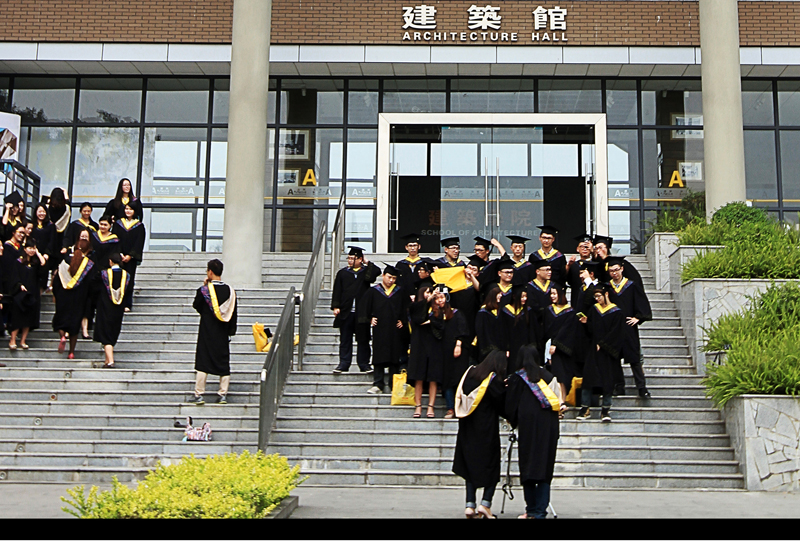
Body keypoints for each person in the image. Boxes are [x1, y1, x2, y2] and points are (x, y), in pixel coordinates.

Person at [505, 344, 562, 520]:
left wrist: (512, 421)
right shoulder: (549, 377)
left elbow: (510, 406)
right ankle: (540, 511)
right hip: (549, 428)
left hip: (528, 428)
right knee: (545, 468)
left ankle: (531, 509)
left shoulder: (517, 378)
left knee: (528, 466)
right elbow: (557, 401)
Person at [452, 350, 508, 519]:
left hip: (467, 430)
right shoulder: (492, 381)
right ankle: (485, 504)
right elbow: (502, 404)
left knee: (469, 466)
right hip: (486, 431)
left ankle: (470, 505)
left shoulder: (469, 373)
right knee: (491, 467)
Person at [188, 259, 238, 405]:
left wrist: (205, 285)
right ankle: (222, 394)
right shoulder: (230, 291)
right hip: (222, 333)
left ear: (210, 272)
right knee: (223, 362)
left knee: (203, 362)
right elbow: (233, 313)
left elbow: (196, 305)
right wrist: (231, 331)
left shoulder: (204, 291)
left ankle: (199, 394)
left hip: (206, 331)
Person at [577, 283, 625, 422]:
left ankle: (605, 410)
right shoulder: (594, 309)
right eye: (595, 297)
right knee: (588, 378)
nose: (597, 299)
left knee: (607, 380)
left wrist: (603, 344)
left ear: (606, 294)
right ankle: (585, 408)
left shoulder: (617, 312)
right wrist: (586, 323)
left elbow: (617, 333)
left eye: (599, 296)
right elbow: (591, 329)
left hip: (608, 353)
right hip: (593, 350)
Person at [606, 256, 652, 398]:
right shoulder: (607, 287)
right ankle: (619, 386)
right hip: (613, 328)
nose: (614, 273)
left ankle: (642, 388)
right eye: (611, 271)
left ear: (622, 269)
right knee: (614, 358)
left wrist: (638, 317)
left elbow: (641, 303)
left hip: (628, 327)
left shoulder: (631, 285)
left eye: (616, 270)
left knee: (634, 358)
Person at [331, 246, 380, 374]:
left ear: (360, 259)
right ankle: (343, 364)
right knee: (345, 339)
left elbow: (377, 272)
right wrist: (336, 306)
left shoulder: (365, 272)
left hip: (362, 312)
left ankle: (364, 364)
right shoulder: (343, 273)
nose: (350, 261)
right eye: (349, 258)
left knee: (363, 339)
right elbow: (337, 290)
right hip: (346, 311)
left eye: (353, 258)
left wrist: (367, 262)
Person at [362, 265, 408, 394]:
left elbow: (406, 308)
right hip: (380, 328)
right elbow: (364, 307)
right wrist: (370, 318)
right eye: (389, 277)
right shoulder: (374, 291)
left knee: (394, 356)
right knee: (379, 355)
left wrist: (403, 320)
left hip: (394, 329)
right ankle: (378, 383)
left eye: (394, 278)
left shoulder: (399, 291)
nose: (391, 280)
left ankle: (393, 384)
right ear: (383, 276)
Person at [430, 286, 471, 419]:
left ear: (447, 298)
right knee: (446, 380)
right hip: (442, 352)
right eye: (437, 298)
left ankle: (461, 407)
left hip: (457, 350)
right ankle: (450, 408)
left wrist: (458, 344)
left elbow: (463, 330)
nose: (440, 300)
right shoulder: (435, 315)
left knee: (459, 378)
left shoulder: (456, 313)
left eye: (442, 297)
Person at [52, 230, 94, 359]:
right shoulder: (87, 265)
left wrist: (56, 295)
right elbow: (91, 284)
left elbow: (57, 282)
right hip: (78, 299)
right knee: (74, 327)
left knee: (60, 321)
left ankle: (62, 336)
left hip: (63, 297)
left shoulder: (64, 263)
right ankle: (71, 352)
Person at [543, 284, 583, 402]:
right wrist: (550, 345)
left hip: (564, 349)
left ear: (561, 294)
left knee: (564, 375)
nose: (552, 296)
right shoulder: (548, 310)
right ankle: (559, 399)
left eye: (554, 294)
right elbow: (546, 329)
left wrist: (556, 344)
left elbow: (567, 330)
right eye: (551, 294)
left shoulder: (570, 312)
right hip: (551, 348)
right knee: (556, 374)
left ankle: (563, 399)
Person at [93, 252, 131, 368]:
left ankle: (110, 361)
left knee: (106, 334)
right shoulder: (126, 275)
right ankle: (107, 360)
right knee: (113, 332)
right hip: (118, 309)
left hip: (105, 308)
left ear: (110, 261)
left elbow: (95, 288)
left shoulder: (103, 274)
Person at [7, 238, 45, 350]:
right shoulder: (18, 262)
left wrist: (38, 253)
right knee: (17, 317)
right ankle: (13, 340)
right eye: (29, 248)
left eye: (33, 248)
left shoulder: (35, 263)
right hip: (20, 294)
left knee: (28, 318)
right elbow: (14, 276)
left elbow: (43, 266)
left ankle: (23, 341)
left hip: (32, 293)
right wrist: (19, 285)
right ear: (24, 249)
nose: (31, 250)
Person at [407, 284, 439, 418]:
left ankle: (431, 406)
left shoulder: (437, 307)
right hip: (419, 344)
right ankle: (418, 406)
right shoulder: (415, 306)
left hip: (434, 344)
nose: (429, 295)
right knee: (418, 376)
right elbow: (418, 319)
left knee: (433, 377)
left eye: (430, 292)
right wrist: (427, 301)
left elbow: (441, 323)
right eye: (426, 292)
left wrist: (432, 321)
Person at [113, 203, 146, 312]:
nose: (128, 211)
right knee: (117, 279)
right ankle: (117, 301)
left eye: (131, 209)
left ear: (135, 211)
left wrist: (130, 255)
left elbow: (139, 242)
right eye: (126, 209)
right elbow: (115, 239)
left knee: (129, 280)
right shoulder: (118, 224)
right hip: (119, 257)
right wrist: (119, 253)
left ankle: (127, 303)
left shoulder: (139, 226)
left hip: (130, 259)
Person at [30, 203, 57, 293]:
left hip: (45, 255)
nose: (41, 213)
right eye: (39, 211)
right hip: (33, 254)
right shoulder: (32, 225)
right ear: (36, 212)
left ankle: (40, 294)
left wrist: (47, 253)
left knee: (43, 276)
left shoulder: (50, 225)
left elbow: (52, 241)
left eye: (43, 211)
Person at [474, 286, 505, 364]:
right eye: (498, 294)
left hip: (499, 345)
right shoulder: (483, 313)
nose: (500, 296)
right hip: (487, 345)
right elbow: (481, 331)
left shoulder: (500, 311)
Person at [566, 234, 594, 307]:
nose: (584, 249)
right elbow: (566, 280)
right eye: (582, 246)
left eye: (587, 247)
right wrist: (569, 266)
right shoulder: (574, 265)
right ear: (577, 249)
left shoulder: (595, 264)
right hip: (576, 300)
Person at [45, 187, 71, 252]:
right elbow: (68, 203)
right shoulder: (66, 209)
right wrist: (65, 193)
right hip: (60, 238)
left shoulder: (47, 208)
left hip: (48, 236)